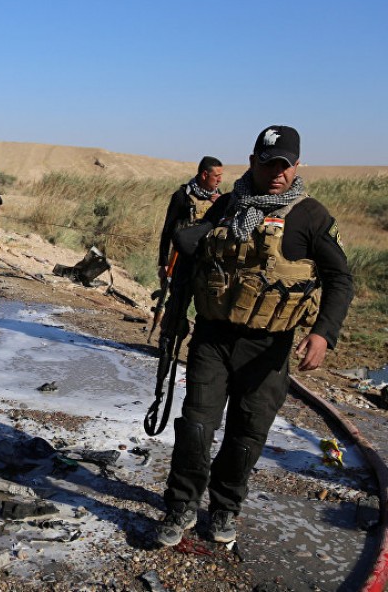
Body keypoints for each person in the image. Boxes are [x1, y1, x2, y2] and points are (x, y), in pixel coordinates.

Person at [156, 126, 354, 547]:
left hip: (269, 347)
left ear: (297, 166)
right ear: (253, 163)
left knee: (246, 435)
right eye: (269, 164)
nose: (277, 172)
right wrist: (175, 314)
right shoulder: (226, 205)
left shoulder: (311, 216)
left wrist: (323, 334)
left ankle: (225, 507)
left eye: (285, 165)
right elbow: (192, 263)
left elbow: (340, 279)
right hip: (213, 338)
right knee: (195, 425)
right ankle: (181, 506)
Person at [157, 157, 224, 281]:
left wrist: (221, 206)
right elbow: (168, 229)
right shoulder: (182, 196)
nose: (220, 180)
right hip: (182, 261)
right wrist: (164, 263)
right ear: (204, 175)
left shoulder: (219, 197)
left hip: (208, 261)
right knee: (178, 299)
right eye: (217, 176)